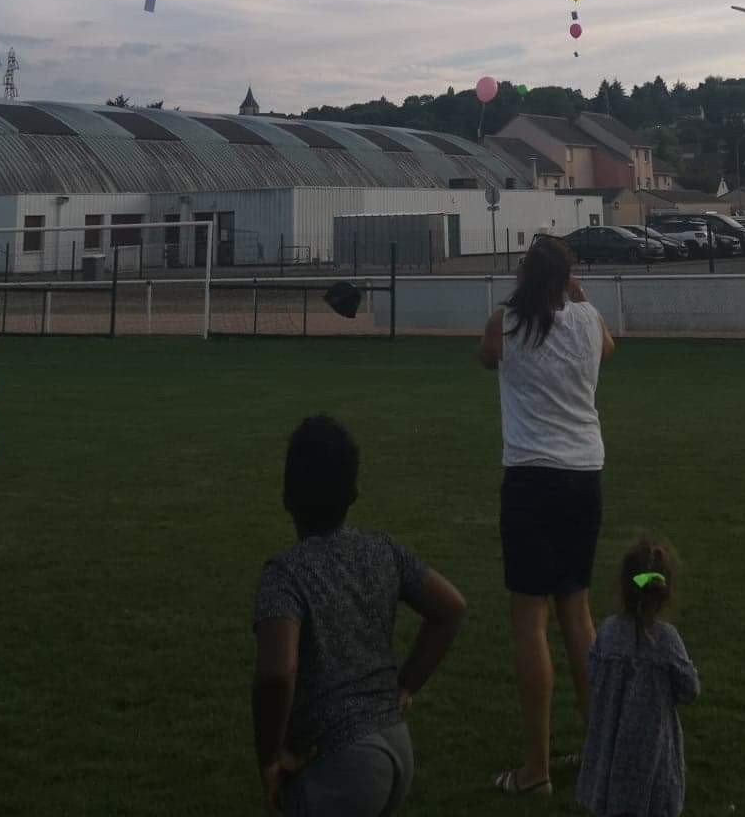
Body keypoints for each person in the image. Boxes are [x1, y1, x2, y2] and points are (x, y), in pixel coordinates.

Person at [253, 414, 466, 815]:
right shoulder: (381, 549)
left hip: (341, 761)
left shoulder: (284, 574)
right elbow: (450, 608)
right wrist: (405, 687)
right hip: (396, 747)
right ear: (353, 493)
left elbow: (276, 673)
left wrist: (269, 756)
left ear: (286, 495)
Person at [478, 234, 615, 796]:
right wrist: (577, 299)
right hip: (584, 478)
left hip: (531, 480)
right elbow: (610, 347)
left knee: (529, 620)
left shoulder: (506, 324)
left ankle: (535, 770)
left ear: (523, 276)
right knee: (577, 615)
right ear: (568, 276)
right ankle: (600, 752)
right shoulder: (587, 320)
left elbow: (485, 357)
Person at [576, 535, 700, 817]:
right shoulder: (668, 641)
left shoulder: (607, 631)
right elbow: (689, 689)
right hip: (653, 747)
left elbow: (593, 671)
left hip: (611, 738)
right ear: (666, 592)